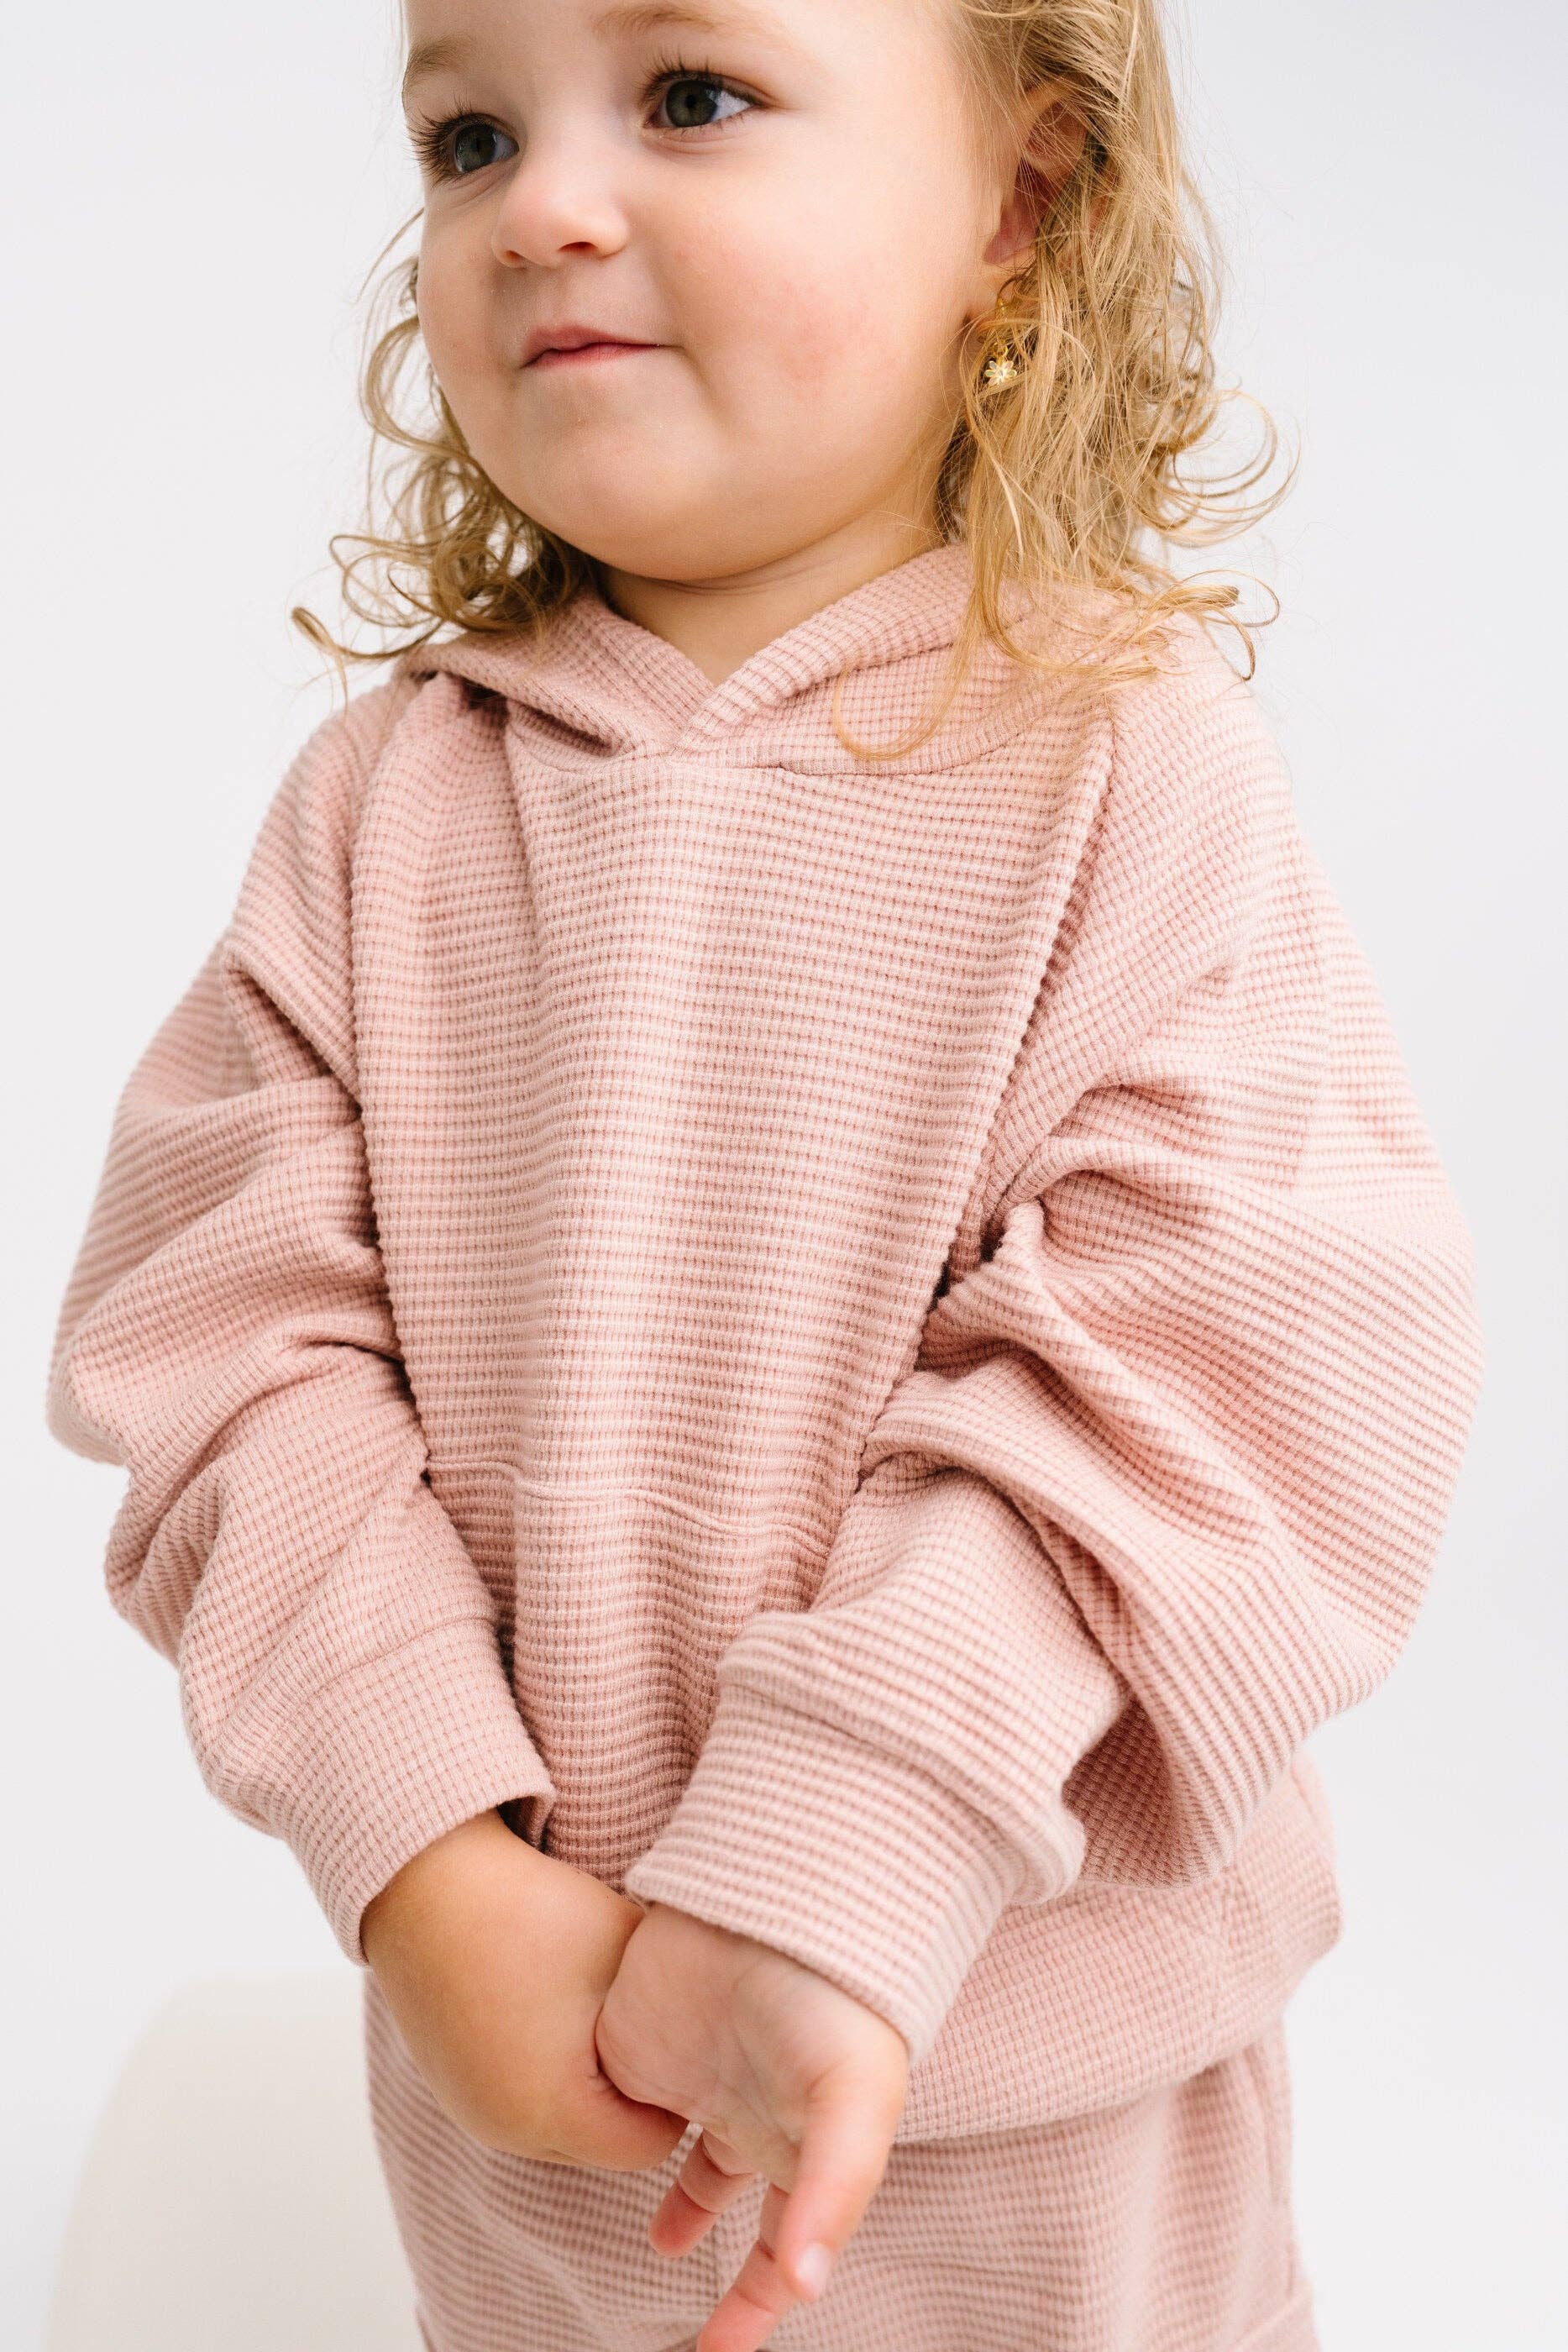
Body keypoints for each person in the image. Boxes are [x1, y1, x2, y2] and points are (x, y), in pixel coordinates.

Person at [43, 1, 1487, 2347]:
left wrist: (843, 1851)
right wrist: (427, 1855)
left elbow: (1222, 1382)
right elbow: (223, 1353)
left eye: (689, 96)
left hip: (1038, 2120)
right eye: (467, 134)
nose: (545, 206)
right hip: (548, 2111)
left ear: (1018, 204)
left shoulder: (1129, 771)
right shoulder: (384, 808)